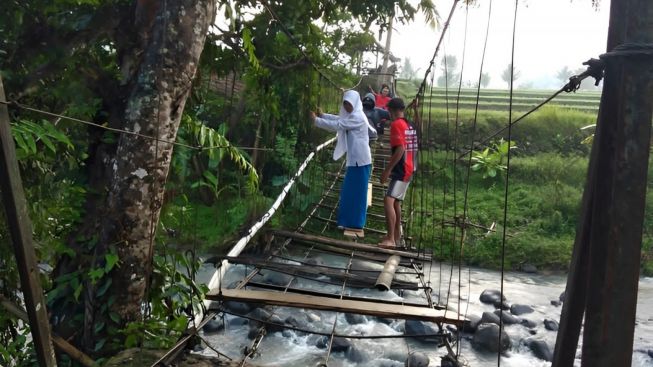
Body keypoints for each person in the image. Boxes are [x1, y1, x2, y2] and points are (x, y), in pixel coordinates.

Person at [310, 90, 376, 230]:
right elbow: (339, 119)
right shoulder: (354, 115)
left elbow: (338, 125)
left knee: (357, 193)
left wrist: (316, 121)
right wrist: (323, 115)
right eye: (345, 103)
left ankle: (356, 223)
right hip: (355, 160)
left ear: (355, 103)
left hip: (361, 161)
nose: (346, 107)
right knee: (349, 192)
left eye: (349, 104)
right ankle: (346, 221)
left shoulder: (357, 117)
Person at [378, 98, 417, 248]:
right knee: (396, 202)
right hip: (410, 167)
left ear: (392, 110)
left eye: (389, 111)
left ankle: (390, 239)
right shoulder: (409, 124)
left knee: (388, 200)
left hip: (402, 169)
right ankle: (396, 236)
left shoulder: (396, 125)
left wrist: (387, 171)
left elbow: (400, 149)